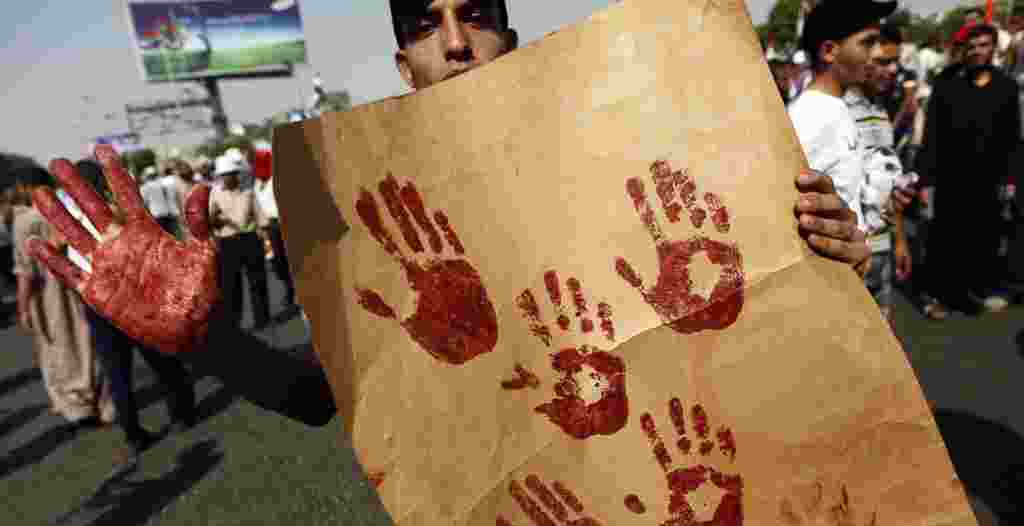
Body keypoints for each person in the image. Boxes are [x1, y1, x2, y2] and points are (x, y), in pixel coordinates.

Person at [27, 0, 873, 425]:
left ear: (510, 37)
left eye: (474, 16)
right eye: (429, 26)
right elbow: (328, 398)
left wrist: (833, 255)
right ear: (405, 64)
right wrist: (214, 343)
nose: (457, 42)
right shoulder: (391, 233)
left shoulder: (652, 156)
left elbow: (781, 315)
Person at [69, 159, 198, 472]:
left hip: (98, 303)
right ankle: (182, 412)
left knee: (117, 371)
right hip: (132, 296)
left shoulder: (72, 221)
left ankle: (132, 432)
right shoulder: (118, 214)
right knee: (159, 355)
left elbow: (73, 267)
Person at [916, 22, 1022, 315]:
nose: (977, 51)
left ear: (993, 48)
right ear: (964, 49)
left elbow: (1012, 137)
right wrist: (926, 180)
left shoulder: (1006, 86)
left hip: (989, 180)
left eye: (984, 45)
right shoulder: (947, 82)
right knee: (945, 239)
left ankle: (973, 289)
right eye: (972, 46)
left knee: (983, 237)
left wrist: (1010, 179)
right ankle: (935, 295)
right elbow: (932, 134)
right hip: (950, 178)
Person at [8, 165, 115, 432]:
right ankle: (101, 401)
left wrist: (22, 308)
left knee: (58, 346)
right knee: (86, 342)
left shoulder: (24, 221)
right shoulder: (62, 210)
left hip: (46, 293)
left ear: (23, 187)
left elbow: (25, 271)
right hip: (77, 283)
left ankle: (77, 407)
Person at [787, 0, 901, 235]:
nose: (877, 54)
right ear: (829, 51)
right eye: (868, 43)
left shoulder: (837, 107)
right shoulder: (810, 115)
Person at [843, 22, 914, 325]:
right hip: (850, 257)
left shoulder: (881, 110)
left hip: (882, 251)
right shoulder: (835, 111)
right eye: (884, 61)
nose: (893, 69)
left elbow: (888, 181)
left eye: (896, 61)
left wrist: (900, 240)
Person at [209, 153, 272, 330]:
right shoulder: (215, 194)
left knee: (257, 281)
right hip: (228, 242)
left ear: (236, 174)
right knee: (231, 285)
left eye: (230, 173)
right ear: (220, 176)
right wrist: (214, 219)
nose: (227, 177)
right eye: (224, 174)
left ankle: (262, 319)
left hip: (250, 239)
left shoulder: (248, 192)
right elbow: (209, 221)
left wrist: (267, 241)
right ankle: (235, 324)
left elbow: (261, 219)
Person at [252, 146, 296, 308]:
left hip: (281, 223)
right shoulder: (257, 183)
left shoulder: (276, 179)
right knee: (276, 261)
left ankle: (292, 291)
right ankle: (288, 287)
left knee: (287, 258)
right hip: (266, 226)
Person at [139, 165, 178, 237]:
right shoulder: (164, 183)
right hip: (169, 213)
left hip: (157, 215)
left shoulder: (145, 187)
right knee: (173, 236)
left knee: (162, 237)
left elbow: (144, 202)